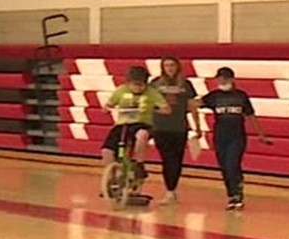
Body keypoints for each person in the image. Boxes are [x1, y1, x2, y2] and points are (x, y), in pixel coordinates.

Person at [199, 67, 272, 210]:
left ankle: (238, 193)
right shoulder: (213, 96)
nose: (222, 81)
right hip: (220, 137)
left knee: (233, 164)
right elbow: (195, 104)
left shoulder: (241, 96)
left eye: (225, 78)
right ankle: (231, 195)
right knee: (224, 167)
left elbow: (250, 115)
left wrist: (261, 134)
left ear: (232, 79)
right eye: (220, 78)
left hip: (237, 136)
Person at [99, 66, 166, 197]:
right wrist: (106, 108)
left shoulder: (152, 93)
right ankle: (112, 179)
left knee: (142, 135)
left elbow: (166, 109)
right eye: (135, 85)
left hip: (142, 124)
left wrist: (155, 109)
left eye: (141, 85)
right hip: (122, 125)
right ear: (128, 83)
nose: (138, 88)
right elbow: (108, 105)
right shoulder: (120, 91)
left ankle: (139, 164)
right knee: (106, 151)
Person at [149, 55, 203, 205]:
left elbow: (192, 106)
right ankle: (169, 190)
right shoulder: (155, 83)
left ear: (177, 66)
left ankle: (172, 189)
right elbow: (149, 103)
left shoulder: (186, 84)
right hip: (160, 126)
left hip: (179, 127)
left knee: (177, 160)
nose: (170, 68)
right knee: (167, 158)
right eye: (166, 65)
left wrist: (197, 127)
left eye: (172, 65)